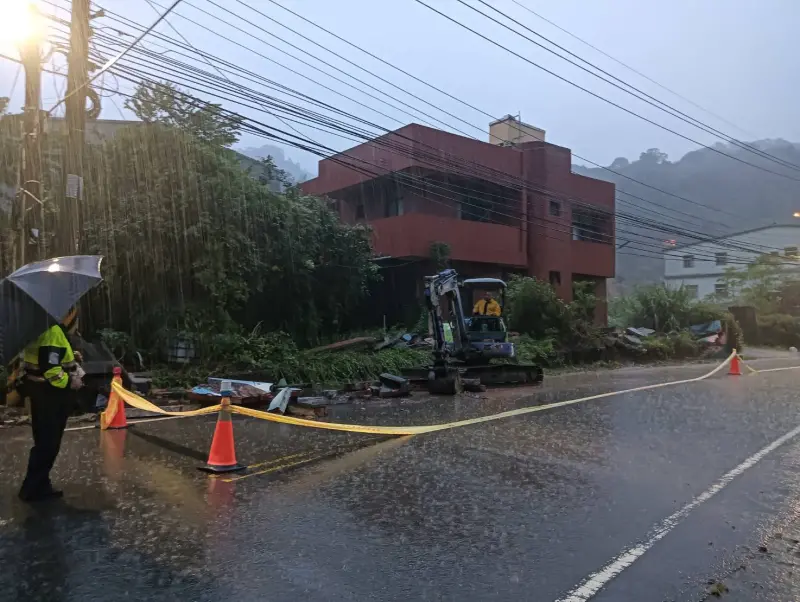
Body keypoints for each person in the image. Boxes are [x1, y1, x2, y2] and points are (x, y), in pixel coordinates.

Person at [18, 317, 83, 502]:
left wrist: (71, 355)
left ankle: (40, 484)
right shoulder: (52, 331)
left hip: (38, 393)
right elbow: (51, 370)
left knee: (42, 440)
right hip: (52, 396)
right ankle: (32, 488)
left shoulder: (32, 328)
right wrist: (71, 381)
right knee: (49, 443)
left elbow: (43, 358)